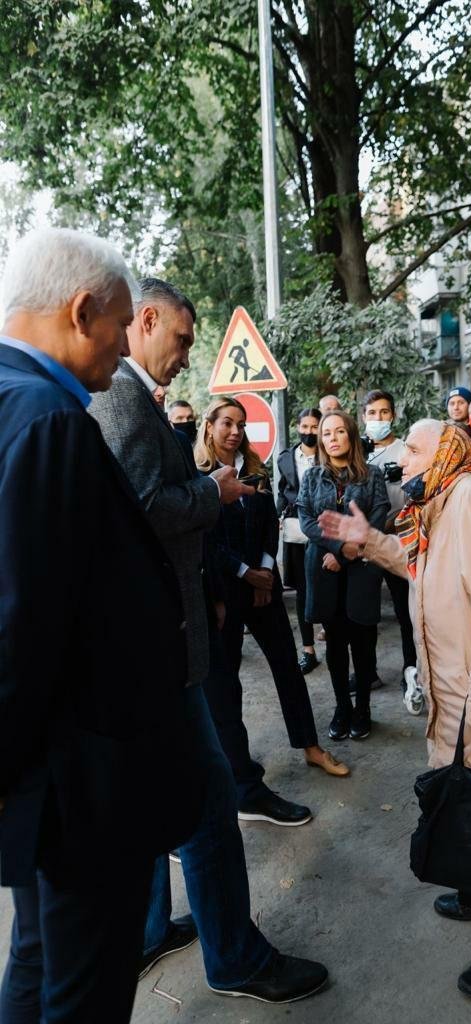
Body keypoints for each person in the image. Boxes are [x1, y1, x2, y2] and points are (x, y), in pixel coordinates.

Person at [90, 278, 328, 1004]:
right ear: (147, 319)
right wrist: (213, 494)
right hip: (164, 645)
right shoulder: (123, 399)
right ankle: (235, 958)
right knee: (210, 808)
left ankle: (149, 929)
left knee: (155, 804)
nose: (185, 356)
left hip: (157, 640)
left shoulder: (126, 398)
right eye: (183, 340)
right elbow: (141, 508)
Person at [0, 228, 205, 1024]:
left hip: (42, 779)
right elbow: (22, 622)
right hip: (79, 784)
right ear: (82, 312)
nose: (126, 347)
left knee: (37, 959)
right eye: (121, 326)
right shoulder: (49, 421)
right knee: (83, 987)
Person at [318, 420, 471, 1000]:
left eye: (415, 451)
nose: (404, 462)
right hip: (464, 701)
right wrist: (369, 539)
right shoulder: (443, 499)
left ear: (447, 450)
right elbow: (421, 565)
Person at [197, 397, 349, 780]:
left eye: (241, 424)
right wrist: (245, 572)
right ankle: (237, 765)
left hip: (264, 585)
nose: (235, 432)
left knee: (288, 668)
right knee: (227, 682)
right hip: (226, 591)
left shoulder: (255, 470)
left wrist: (265, 571)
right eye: (227, 423)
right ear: (209, 425)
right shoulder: (198, 476)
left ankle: (311, 747)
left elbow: (269, 526)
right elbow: (205, 540)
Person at [298, 410, 390, 740]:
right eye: (327, 433)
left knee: (363, 639)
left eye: (339, 432)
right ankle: (342, 707)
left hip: (363, 565)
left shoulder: (373, 474)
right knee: (335, 642)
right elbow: (307, 520)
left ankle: (363, 707)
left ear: (351, 436)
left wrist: (351, 552)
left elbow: (378, 517)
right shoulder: (311, 477)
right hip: (323, 566)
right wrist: (339, 550)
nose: (333, 438)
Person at [362, 388, 422, 714]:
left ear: (393, 416)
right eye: (373, 414)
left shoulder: (406, 450)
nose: (379, 419)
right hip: (369, 543)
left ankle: (411, 670)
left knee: (406, 612)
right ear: (364, 418)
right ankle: (368, 671)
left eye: (384, 413)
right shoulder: (359, 453)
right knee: (366, 611)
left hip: (402, 541)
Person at [277, 408, 322, 674]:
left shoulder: (328, 456)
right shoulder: (286, 458)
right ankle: (308, 650)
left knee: (324, 581)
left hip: (323, 526)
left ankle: (331, 633)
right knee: (302, 589)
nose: (309, 432)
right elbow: (283, 490)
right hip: (295, 528)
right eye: (304, 426)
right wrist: (279, 514)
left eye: (314, 426)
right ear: (298, 427)